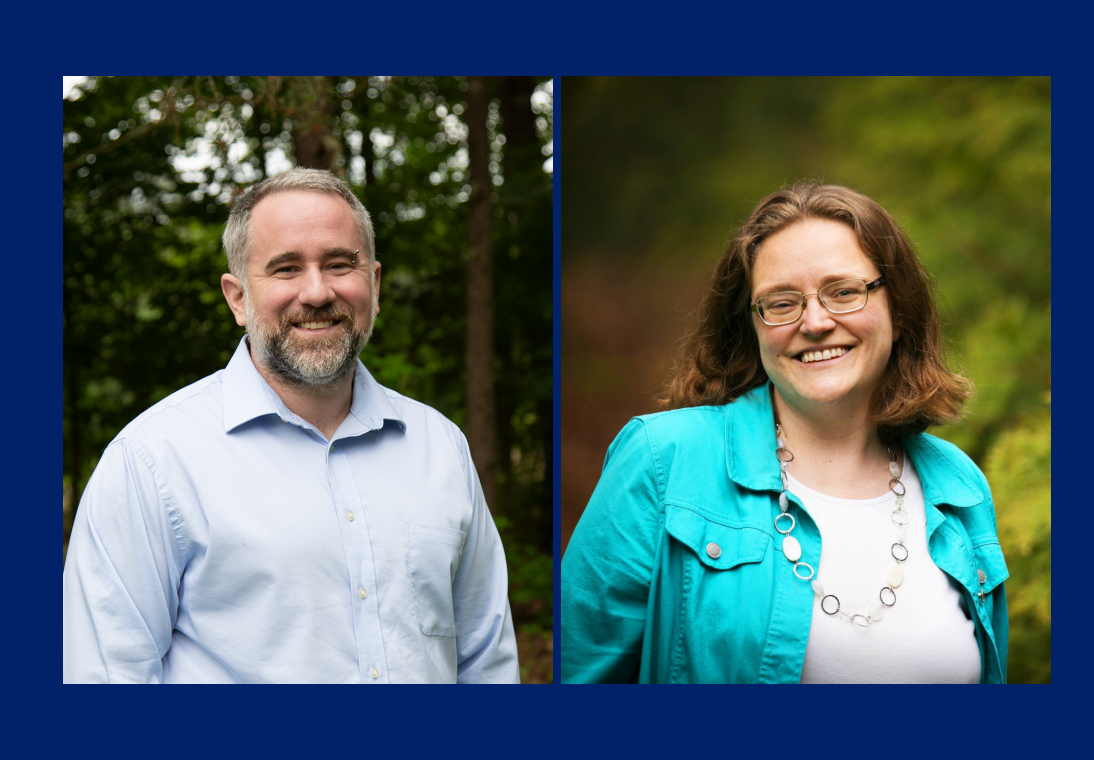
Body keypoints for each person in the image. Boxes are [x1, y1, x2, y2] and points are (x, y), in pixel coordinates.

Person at [63, 168, 519, 683]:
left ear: (373, 281)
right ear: (238, 298)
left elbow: (487, 661)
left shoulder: (440, 448)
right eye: (285, 269)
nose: (318, 291)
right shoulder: (153, 461)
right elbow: (103, 679)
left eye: (340, 263)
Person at [561, 182, 1008, 684]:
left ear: (898, 310)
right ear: (751, 327)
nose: (815, 322)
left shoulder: (958, 485)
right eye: (780, 302)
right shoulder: (662, 461)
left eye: (844, 291)